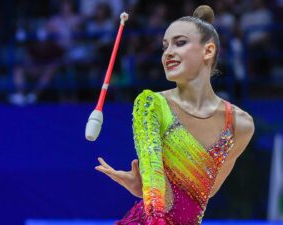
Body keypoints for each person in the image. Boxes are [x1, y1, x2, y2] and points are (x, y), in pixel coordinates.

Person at [95, 5, 255, 225]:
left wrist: (155, 189)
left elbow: (205, 192)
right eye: (165, 46)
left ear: (208, 51)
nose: (168, 52)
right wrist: (149, 190)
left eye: (180, 43)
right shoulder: (151, 104)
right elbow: (152, 174)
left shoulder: (240, 124)